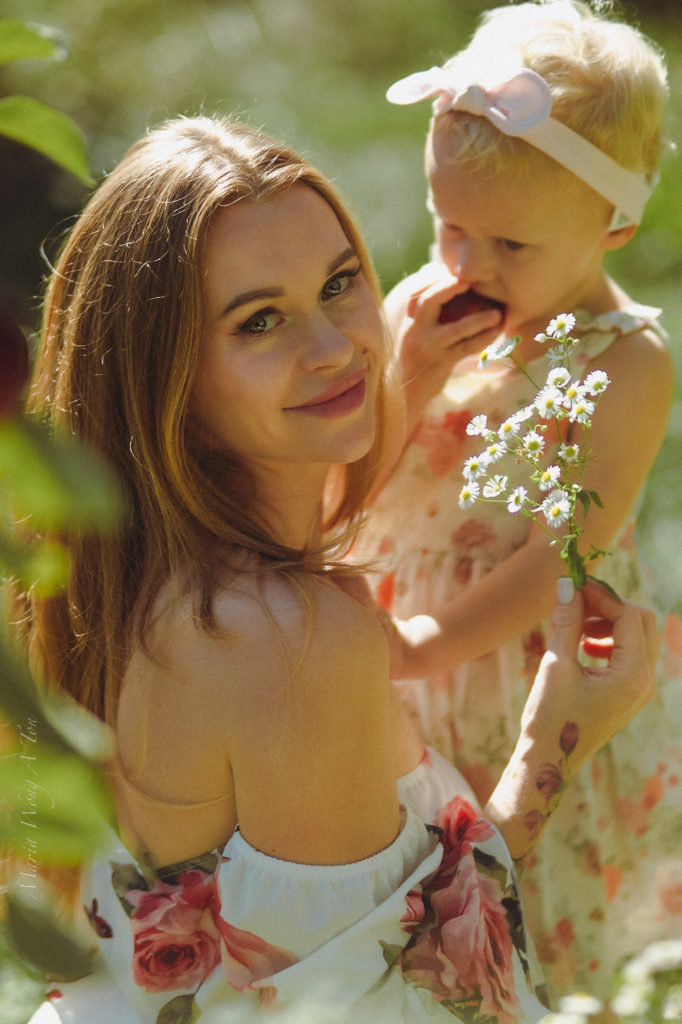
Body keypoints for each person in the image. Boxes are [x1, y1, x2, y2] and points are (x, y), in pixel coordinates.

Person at [17, 114, 657, 1024]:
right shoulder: (292, 643)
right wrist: (554, 746)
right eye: (261, 320)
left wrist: (405, 385)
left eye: (340, 283)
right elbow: (397, 1007)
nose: (336, 345)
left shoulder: (124, 576)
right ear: (167, 378)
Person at [352, 0, 682, 1002]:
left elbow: (558, 559)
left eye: (510, 245)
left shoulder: (623, 362)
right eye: (451, 225)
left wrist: (419, 643)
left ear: (612, 223)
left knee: (523, 921)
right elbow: (350, 465)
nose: (469, 265)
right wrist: (403, 370)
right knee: (395, 917)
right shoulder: (421, 308)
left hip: (515, 675)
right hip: (390, 660)